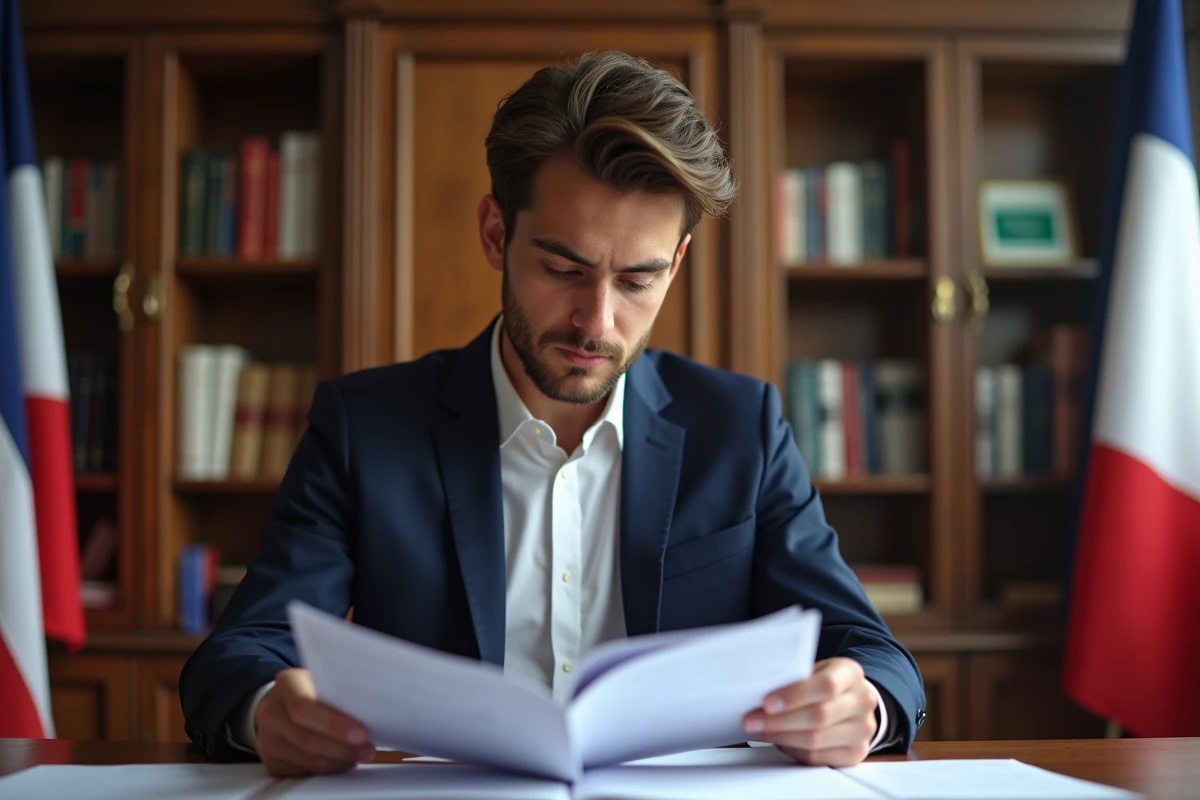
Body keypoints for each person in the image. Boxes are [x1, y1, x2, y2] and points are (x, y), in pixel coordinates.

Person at [179, 50, 925, 778]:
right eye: (564, 270)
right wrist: (267, 708)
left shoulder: (743, 428)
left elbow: (876, 653)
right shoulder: (363, 427)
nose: (596, 322)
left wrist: (864, 705)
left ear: (679, 262)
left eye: (638, 279)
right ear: (496, 234)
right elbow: (240, 654)